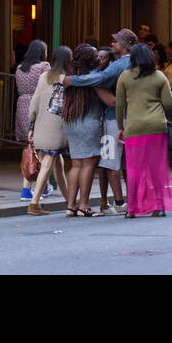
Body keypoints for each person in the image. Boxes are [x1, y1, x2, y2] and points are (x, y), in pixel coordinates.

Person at [63, 29, 137, 215]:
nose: (112, 44)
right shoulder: (134, 64)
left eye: (115, 42)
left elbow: (101, 79)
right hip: (101, 120)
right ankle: (85, 206)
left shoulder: (115, 66)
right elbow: (107, 93)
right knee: (95, 163)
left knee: (82, 164)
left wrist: (72, 80)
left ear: (123, 45)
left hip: (83, 121)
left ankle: (73, 206)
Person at [115, 43, 172, 218]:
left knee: (134, 169)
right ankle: (159, 206)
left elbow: (119, 105)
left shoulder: (125, 77)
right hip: (157, 126)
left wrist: (121, 127)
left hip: (134, 128)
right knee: (156, 168)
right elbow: (168, 104)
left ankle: (132, 209)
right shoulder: (159, 76)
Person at [61, 44, 106, 216]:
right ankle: (84, 205)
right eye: (96, 56)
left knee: (76, 164)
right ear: (90, 60)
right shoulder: (94, 78)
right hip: (89, 122)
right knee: (89, 163)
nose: (99, 58)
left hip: (71, 122)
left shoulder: (69, 76)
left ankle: (71, 205)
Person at [26, 46, 71, 215]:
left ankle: (70, 200)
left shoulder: (44, 76)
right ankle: (34, 202)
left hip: (41, 127)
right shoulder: (66, 78)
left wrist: (31, 125)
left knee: (58, 165)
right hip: (56, 129)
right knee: (48, 164)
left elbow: (34, 102)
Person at [14, 40, 53, 202]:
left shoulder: (19, 69)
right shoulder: (44, 67)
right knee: (42, 148)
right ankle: (41, 186)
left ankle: (36, 187)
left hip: (22, 105)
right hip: (38, 106)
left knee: (30, 147)